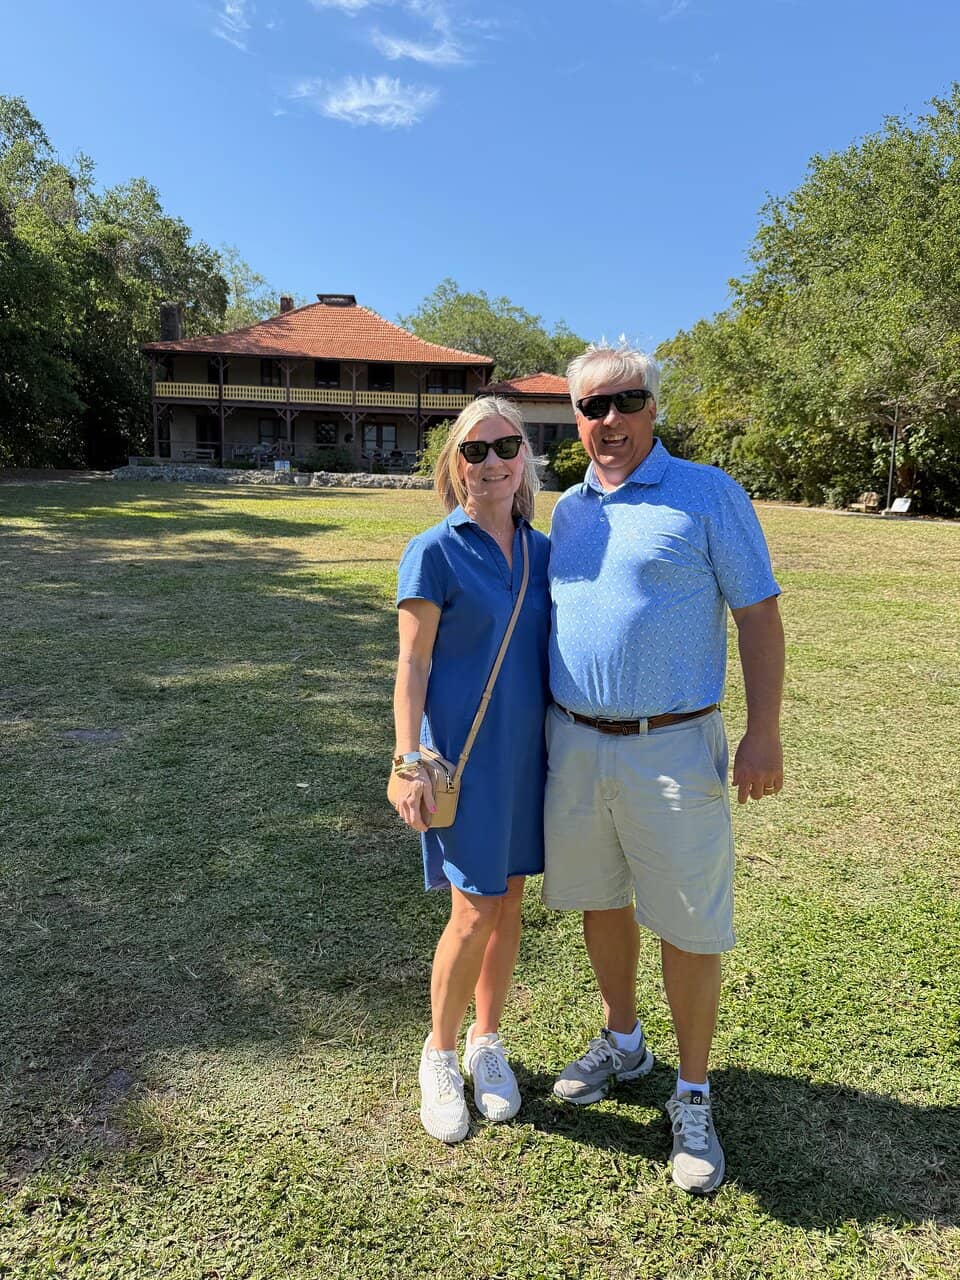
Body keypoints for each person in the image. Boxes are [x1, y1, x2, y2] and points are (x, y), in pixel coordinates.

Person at [543, 344, 784, 1193]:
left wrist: (764, 734)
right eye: (593, 407)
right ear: (576, 418)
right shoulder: (566, 510)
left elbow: (758, 616)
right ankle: (623, 1040)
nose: (609, 421)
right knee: (601, 900)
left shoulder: (708, 493)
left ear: (653, 408)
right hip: (573, 740)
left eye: (626, 401)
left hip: (675, 744)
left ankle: (691, 1089)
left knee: (687, 921)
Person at [392, 397, 550, 1144]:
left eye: (505, 446)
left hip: (534, 759)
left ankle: (489, 1041)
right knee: (473, 911)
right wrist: (405, 760)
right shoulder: (433, 550)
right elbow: (413, 663)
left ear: (525, 458)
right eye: (475, 450)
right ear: (454, 465)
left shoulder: (545, 551)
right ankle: (441, 1051)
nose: (491, 462)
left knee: (511, 906)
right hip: (461, 764)